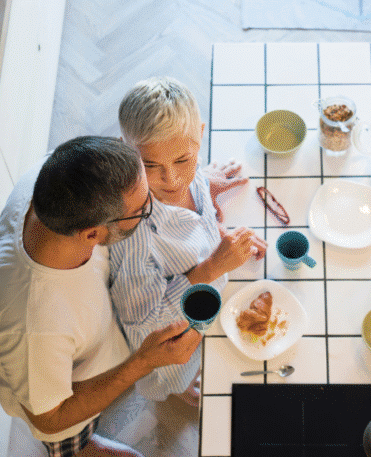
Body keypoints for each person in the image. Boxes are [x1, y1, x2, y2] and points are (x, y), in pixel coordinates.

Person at [0, 136, 202, 457]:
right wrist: (145, 361)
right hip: (60, 407)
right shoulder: (35, 325)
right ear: (92, 234)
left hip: (95, 341)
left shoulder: (58, 178)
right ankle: (84, 448)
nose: (151, 205)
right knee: (71, 439)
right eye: (142, 209)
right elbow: (50, 417)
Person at [109, 76, 266, 406]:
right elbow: (146, 326)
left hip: (209, 305)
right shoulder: (133, 237)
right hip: (172, 354)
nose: (171, 179)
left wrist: (211, 196)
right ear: (125, 150)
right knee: (182, 372)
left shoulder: (197, 178)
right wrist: (213, 267)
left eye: (182, 159)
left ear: (201, 135)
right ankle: (181, 390)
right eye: (150, 165)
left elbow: (195, 202)